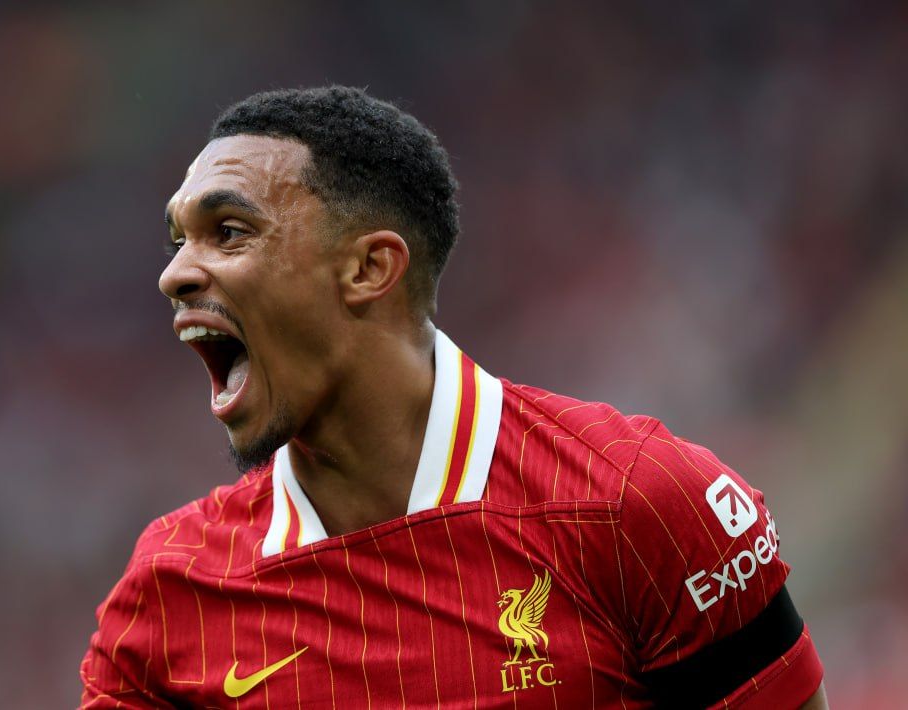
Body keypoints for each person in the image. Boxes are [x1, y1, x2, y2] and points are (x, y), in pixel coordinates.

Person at [79, 86, 826, 708]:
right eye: (178, 240)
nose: (175, 274)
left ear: (370, 268)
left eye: (229, 231)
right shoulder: (171, 592)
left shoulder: (639, 503)